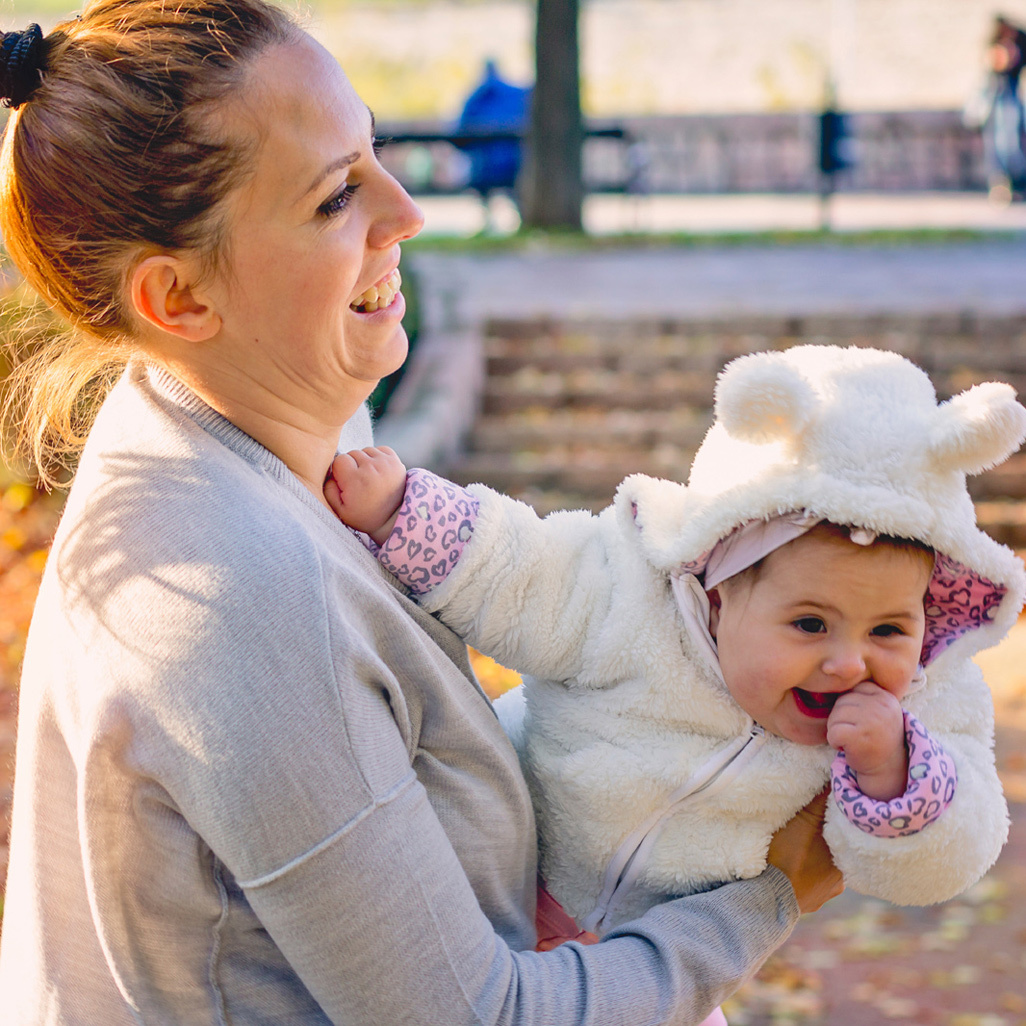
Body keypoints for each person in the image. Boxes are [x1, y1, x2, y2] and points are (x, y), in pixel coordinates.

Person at [0, 4, 842, 1023]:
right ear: (176, 301)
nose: (406, 214)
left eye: (376, 156)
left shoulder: (224, 432)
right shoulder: (237, 591)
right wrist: (770, 895)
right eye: (334, 198)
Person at [329, 345, 1025, 939]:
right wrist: (403, 515)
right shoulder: (629, 597)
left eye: (888, 630)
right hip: (488, 881)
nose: (848, 662)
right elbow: (524, 569)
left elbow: (954, 852)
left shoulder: (923, 709)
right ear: (718, 592)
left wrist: (896, 775)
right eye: (810, 624)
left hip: (660, 958)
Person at [981, 15, 1026, 202]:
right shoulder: (995, 46)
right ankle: (1002, 185)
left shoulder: (1018, 44)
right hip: (997, 100)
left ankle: (1015, 184)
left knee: (1010, 145)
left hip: (1010, 99)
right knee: (998, 145)